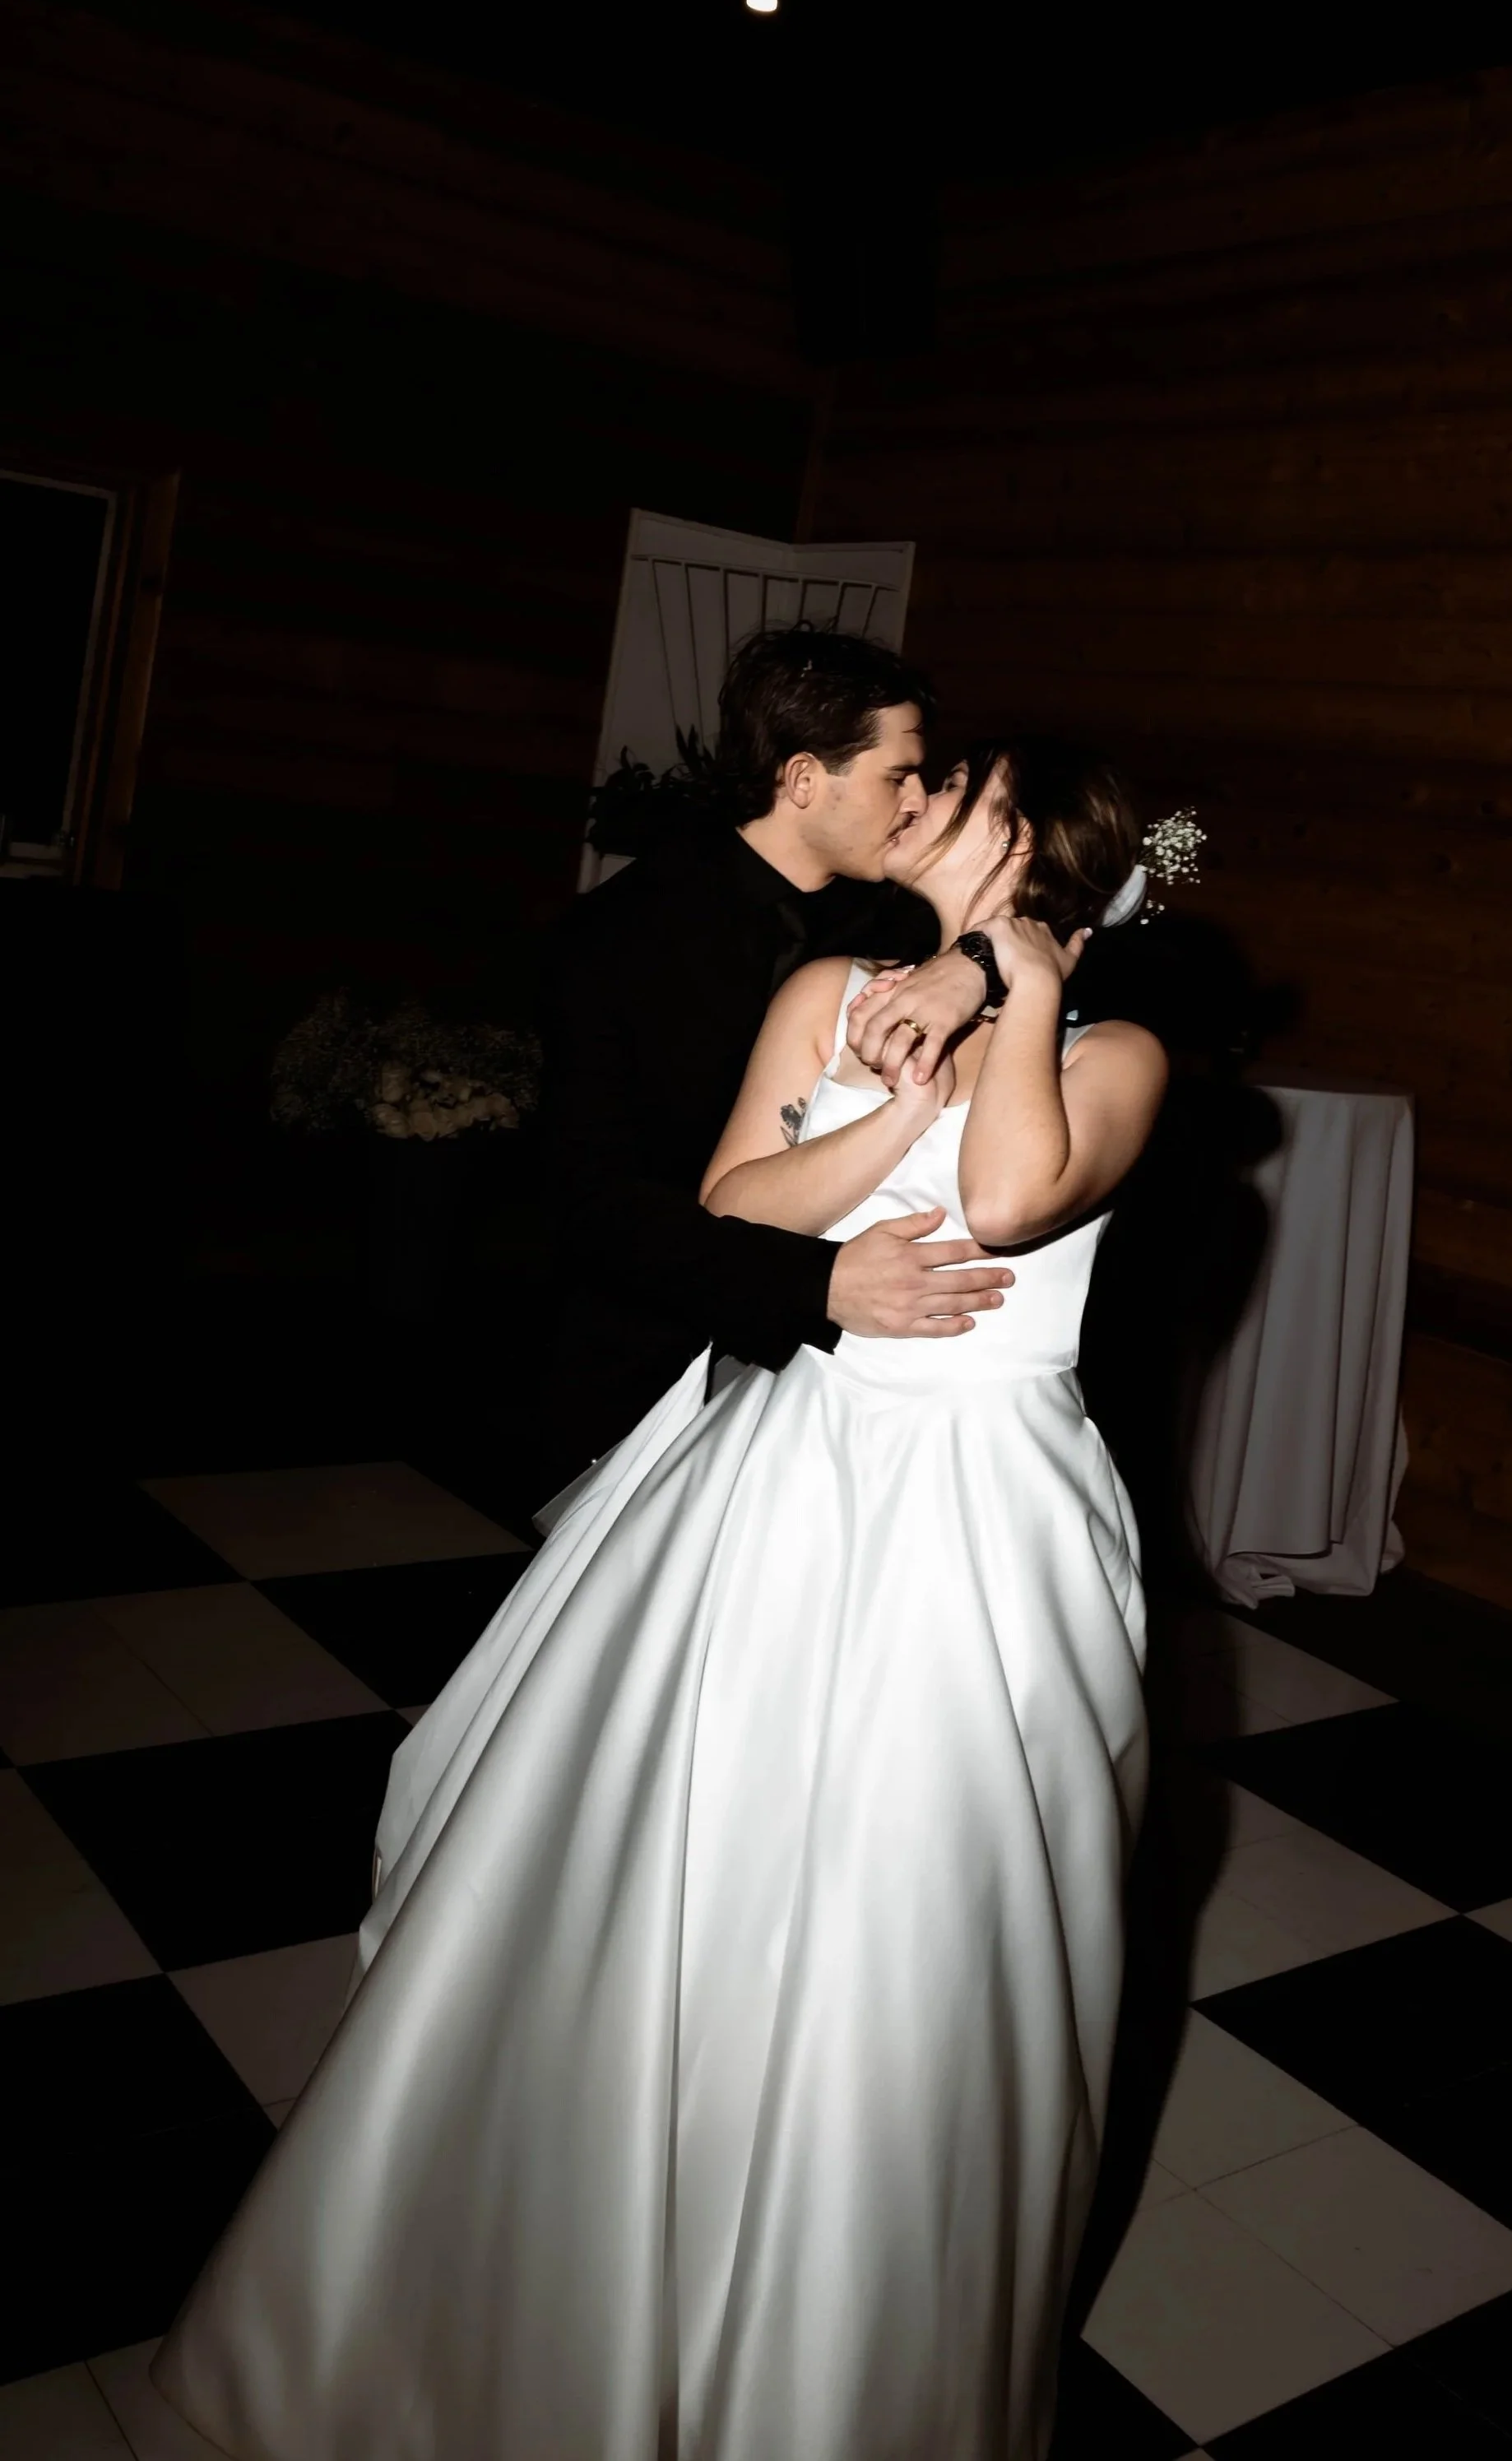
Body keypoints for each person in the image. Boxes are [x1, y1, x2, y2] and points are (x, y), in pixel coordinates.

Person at [152, 736, 1168, 2461]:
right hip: (784, 1468)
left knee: (908, 1920)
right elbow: (731, 1202)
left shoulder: (1120, 1051)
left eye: (967, 794)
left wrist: (1018, 982)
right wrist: (887, 1116)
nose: (919, 801)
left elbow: (1008, 1199)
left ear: (1042, 858)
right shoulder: (824, 989)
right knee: (681, 1873)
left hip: (982, 1513)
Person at [539, 623, 1013, 1488]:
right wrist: (816, 1282)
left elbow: (1071, 934)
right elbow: (592, 1203)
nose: (915, 800)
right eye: (895, 775)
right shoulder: (615, 938)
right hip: (654, 1375)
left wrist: (979, 964)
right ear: (801, 778)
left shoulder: (910, 924)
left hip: (880, 1404)